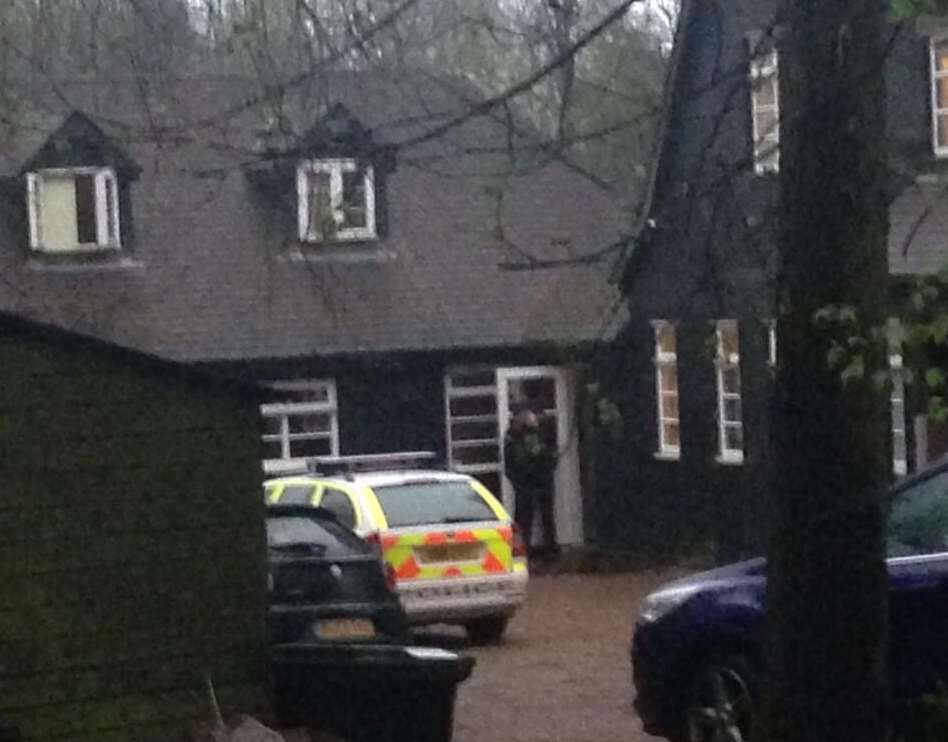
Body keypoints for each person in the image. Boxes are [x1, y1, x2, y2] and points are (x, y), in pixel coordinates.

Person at [503, 408, 559, 560]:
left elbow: (552, 455)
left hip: (542, 481)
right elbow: (509, 462)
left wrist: (547, 473)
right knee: (523, 519)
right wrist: (517, 482)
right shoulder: (513, 435)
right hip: (524, 483)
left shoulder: (544, 433)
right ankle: (522, 550)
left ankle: (551, 551)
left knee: (546, 517)